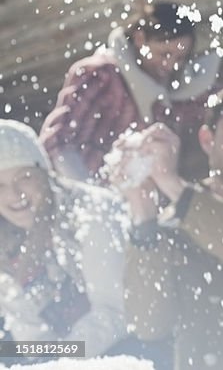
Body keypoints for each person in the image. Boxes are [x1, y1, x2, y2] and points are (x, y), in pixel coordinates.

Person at [111, 82, 223, 370]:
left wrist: (172, 184)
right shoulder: (174, 219)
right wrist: (142, 211)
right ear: (208, 139)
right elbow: (148, 324)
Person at [39, 1, 219, 183]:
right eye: (164, 54)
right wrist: (91, 197)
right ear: (140, 38)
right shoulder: (100, 76)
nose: (172, 65)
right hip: (89, 190)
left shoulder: (183, 92)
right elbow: (57, 141)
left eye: (180, 58)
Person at [0, 119, 129, 357]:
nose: (14, 195)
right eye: (0, 185)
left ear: (45, 172)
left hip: (135, 343)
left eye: (24, 177)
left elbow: (116, 312)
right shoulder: (5, 239)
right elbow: (29, 335)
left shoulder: (92, 213)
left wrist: (61, 360)